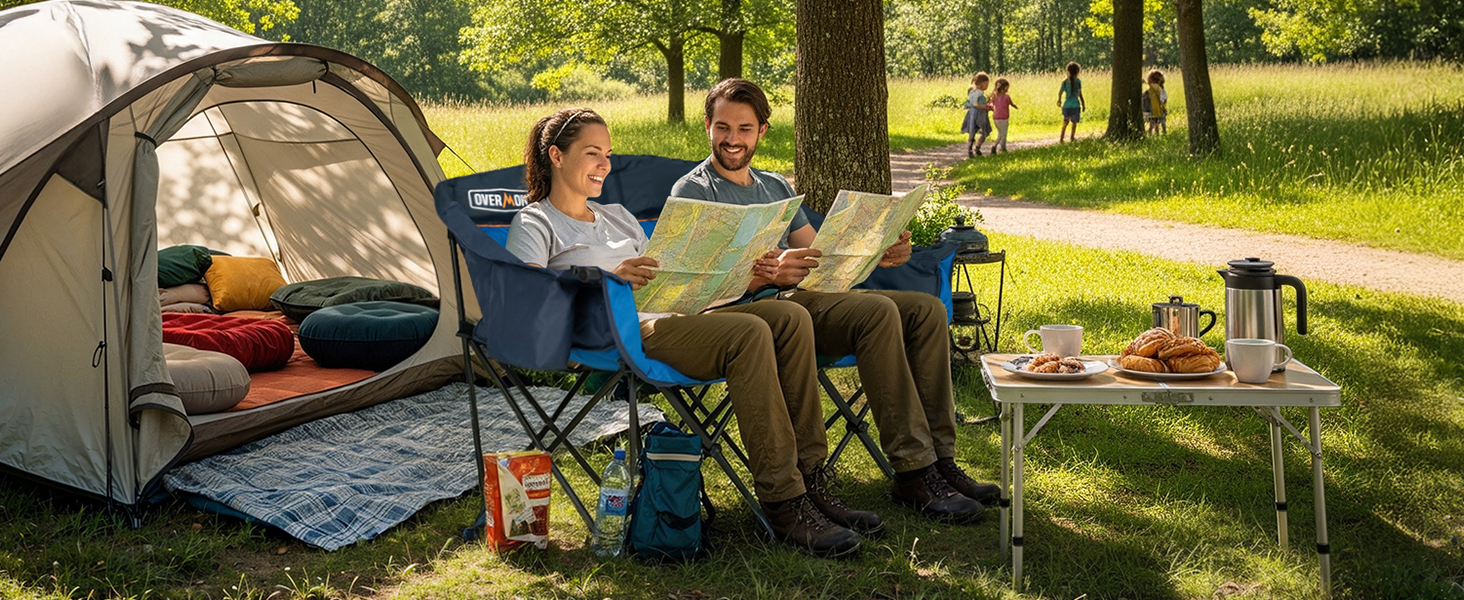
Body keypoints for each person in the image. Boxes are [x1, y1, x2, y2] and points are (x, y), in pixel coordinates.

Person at [504, 107, 870, 558]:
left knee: (790, 318)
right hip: (617, 333)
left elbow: (665, 278)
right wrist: (605, 277)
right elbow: (529, 301)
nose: (605, 164)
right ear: (557, 156)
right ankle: (783, 499)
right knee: (749, 334)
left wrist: (735, 278)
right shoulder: (535, 223)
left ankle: (811, 478)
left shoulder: (617, 216)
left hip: (675, 315)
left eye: (608, 154)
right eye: (592, 153)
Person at [671, 78, 998, 525]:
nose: (732, 139)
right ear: (708, 126)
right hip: (745, 313)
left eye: (744, 129)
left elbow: (818, 252)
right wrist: (760, 275)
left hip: (801, 300)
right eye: (723, 127)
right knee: (874, 311)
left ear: (762, 131)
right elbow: (695, 288)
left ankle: (935, 462)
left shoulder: (774, 186)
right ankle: (905, 468)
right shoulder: (694, 191)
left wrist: (879, 253)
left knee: (923, 310)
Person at [961, 73, 994, 157]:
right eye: (986, 84)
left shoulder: (972, 92)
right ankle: (977, 147)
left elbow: (968, 104)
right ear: (980, 84)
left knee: (972, 132)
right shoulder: (979, 93)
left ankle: (970, 149)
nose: (987, 86)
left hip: (972, 113)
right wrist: (985, 107)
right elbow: (975, 104)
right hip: (979, 113)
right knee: (985, 130)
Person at [1058, 62, 1086, 142]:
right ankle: (1072, 138)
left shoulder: (1065, 82)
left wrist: (1059, 100)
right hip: (1075, 105)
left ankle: (1061, 138)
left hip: (1066, 105)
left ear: (1068, 71)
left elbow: (1060, 92)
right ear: (1077, 71)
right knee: (1074, 123)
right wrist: (1083, 105)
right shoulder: (1078, 81)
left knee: (1065, 122)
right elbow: (1080, 94)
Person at [990, 78, 1018, 153]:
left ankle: (1002, 147)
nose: (1007, 91)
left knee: (1001, 133)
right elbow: (1010, 103)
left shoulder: (994, 97)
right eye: (1006, 89)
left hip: (997, 118)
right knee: (1002, 133)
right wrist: (1014, 105)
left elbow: (990, 104)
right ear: (1001, 89)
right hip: (1003, 118)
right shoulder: (1005, 97)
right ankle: (995, 146)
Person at [1143, 69, 1168, 135]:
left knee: (1152, 124)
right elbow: (1163, 100)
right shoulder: (1160, 89)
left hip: (1150, 110)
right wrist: (1164, 108)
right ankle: (1161, 134)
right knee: (1160, 124)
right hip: (1157, 110)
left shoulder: (1151, 89)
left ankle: (1151, 135)